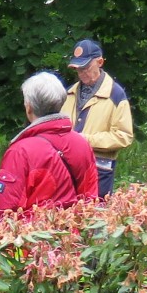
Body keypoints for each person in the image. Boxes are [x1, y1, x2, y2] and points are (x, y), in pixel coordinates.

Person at [0, 72, 98, 224]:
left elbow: (3, 209)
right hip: (72, 240)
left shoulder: (20, 151)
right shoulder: (82, 144)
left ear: (28, 107)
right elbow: (90, 199)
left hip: (31, 242)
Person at [59, 39, 133, 198]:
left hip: (99, 170)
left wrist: (85, 140)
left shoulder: (116, 95)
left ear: (100, 62)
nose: (81, 73)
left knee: (95, 218)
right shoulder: (68, 94)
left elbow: (124, 136)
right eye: (77, 69)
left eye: (85, 67)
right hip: (68, 168)